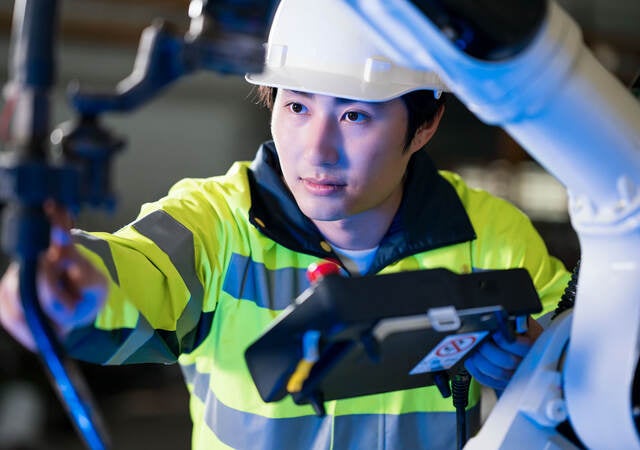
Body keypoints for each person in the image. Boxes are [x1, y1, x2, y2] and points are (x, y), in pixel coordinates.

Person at [0, 0, 570, 448]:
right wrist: (72, 286)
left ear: (424, 126)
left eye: (353, 115)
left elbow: (588, 363)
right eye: (296, 107)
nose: (316, 151)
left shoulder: (491, 239)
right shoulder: (216, 224)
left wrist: (540, 366)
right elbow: (138, 270)